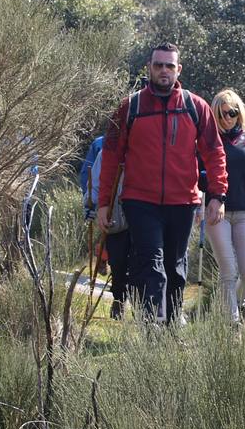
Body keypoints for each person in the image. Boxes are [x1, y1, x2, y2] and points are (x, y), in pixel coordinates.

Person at [96, 44, 228, 324]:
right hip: (140, 202)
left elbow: (214, 152)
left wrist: (217, 195)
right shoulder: (130, 107)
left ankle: (170, 324)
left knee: (176, 266)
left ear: (178, 70)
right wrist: (103, 203)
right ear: (149, 67)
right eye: (159, 65)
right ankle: (152, 325)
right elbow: (109, 157)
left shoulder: (196, 106)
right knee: (150, 262)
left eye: (170, 66)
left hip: (183, 202)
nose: (164, 71)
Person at [202, 89, 245, 321]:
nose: (227, 118)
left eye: (232, 113)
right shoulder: (207, 140)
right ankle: (232, 324)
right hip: (218, 213)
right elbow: (198, 175)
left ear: (239, 113)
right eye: (221, 113)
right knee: (228, 270)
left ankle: (235, 302)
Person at [83, 134, 130, 320]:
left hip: (141, 215)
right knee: (118, 263)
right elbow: (94, 185)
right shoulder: (105, 153)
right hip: (114, 216)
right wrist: (91, 204)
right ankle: (119, 300)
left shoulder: (148, 149)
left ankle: (144, 307)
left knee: (139, 262)